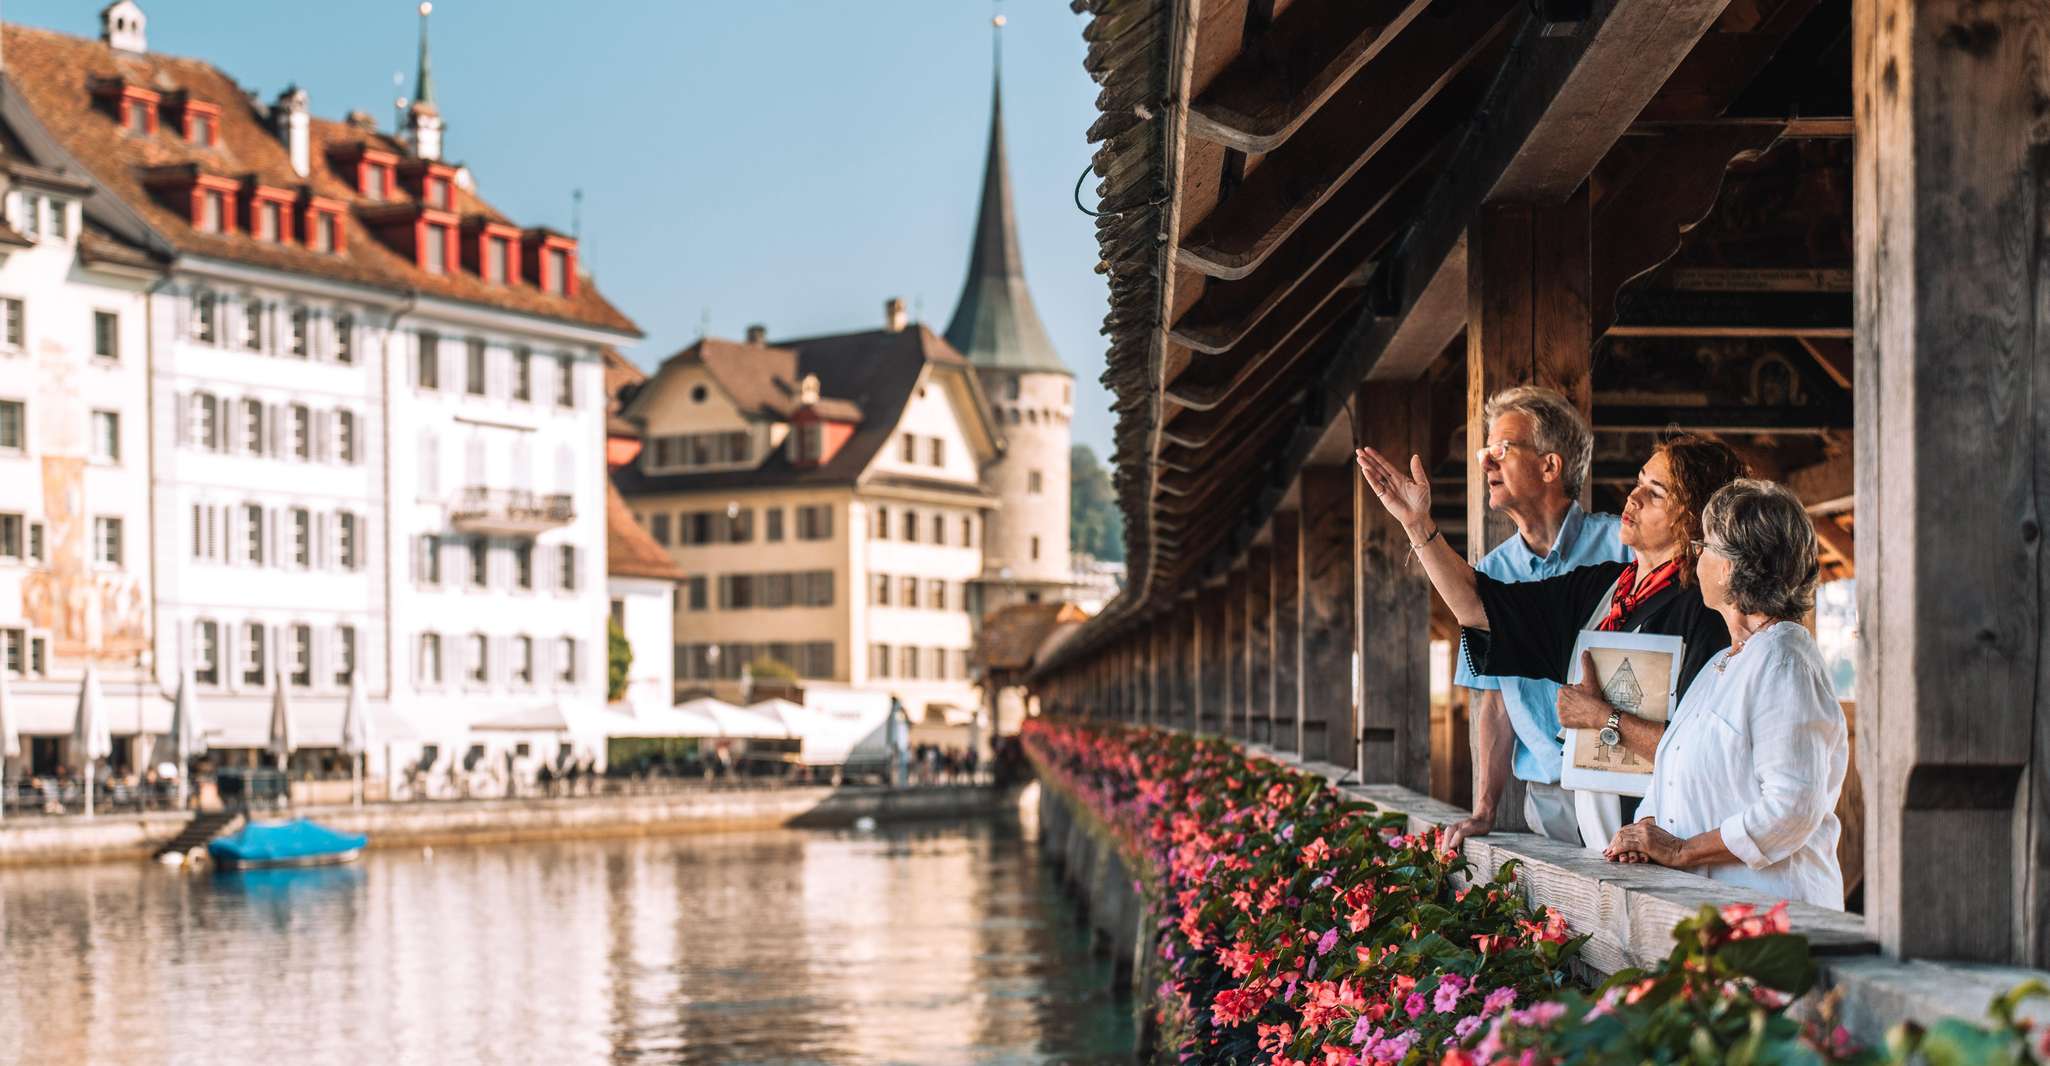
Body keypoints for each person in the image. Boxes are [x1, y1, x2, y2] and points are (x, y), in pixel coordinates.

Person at [1357, 430, 1746, 849]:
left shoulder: (1708, 614)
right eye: (1638, 482)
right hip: (1602, 842)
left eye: (1654, 493)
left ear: (1692, 517)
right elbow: (1479, 607)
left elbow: (1708, 757)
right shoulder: (1601, 590)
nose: (1631, 498)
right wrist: (1418, 525)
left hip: (1676, 845)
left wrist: (1602, 719)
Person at [1362, 387, 1632, 849]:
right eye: (1484, 450)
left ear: (1550, 466)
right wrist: (1484, 808)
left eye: (1501, 449)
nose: (1485, 462)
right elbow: (1496, 702)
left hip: (1633, 787)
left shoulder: (1623, 547)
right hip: (1550, 796)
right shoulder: (1488, 574)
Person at [1604, 480, 1847, 909]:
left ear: (1732, 568)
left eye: (1705, 546)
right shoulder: (1725, 662)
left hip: (1774, 917)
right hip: (1716, 912)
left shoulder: (1784, 660)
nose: (1696, 555)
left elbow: (1792, 808)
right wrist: (1641, 834)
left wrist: (1682, 851)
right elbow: (1671, 780)